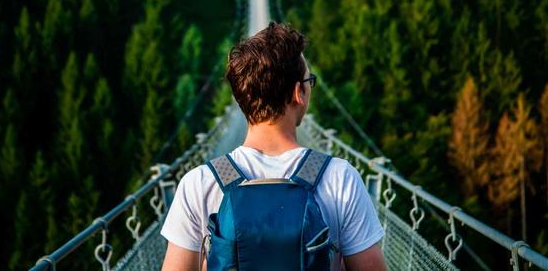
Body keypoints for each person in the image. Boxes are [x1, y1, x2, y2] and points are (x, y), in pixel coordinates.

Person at [160, 22, 387, 271]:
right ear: (298, 92)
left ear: (240, 97)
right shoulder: (340, 178)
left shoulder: (199, 183)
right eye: (309, 80)